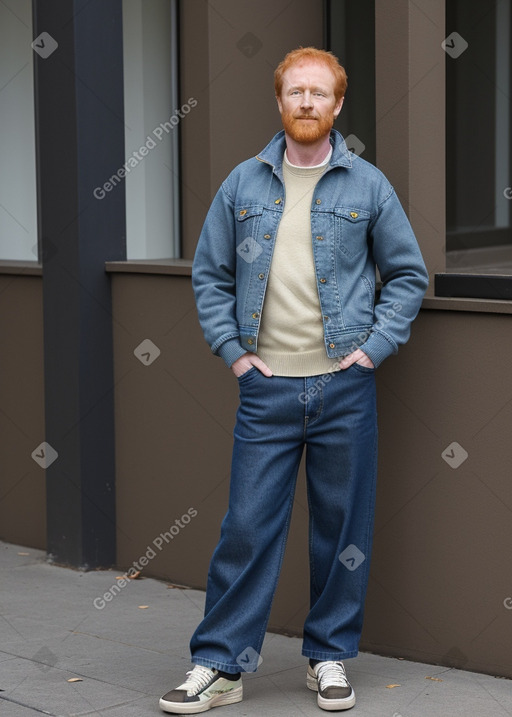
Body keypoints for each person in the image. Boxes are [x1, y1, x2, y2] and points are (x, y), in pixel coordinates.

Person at [159, 46, 428, 714]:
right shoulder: (243, 184)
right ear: (279, 102)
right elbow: (210, 275)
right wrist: (234, 352)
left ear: (338, 105)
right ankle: (220, 663)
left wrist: (371, 350)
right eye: (295, 92)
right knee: (247, 526)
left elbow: (409, 275)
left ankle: (328, 655)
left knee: (343, 532)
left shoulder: (367, 186)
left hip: (344, 388)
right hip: (267, 388)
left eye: (319, 93)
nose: (306, 103)